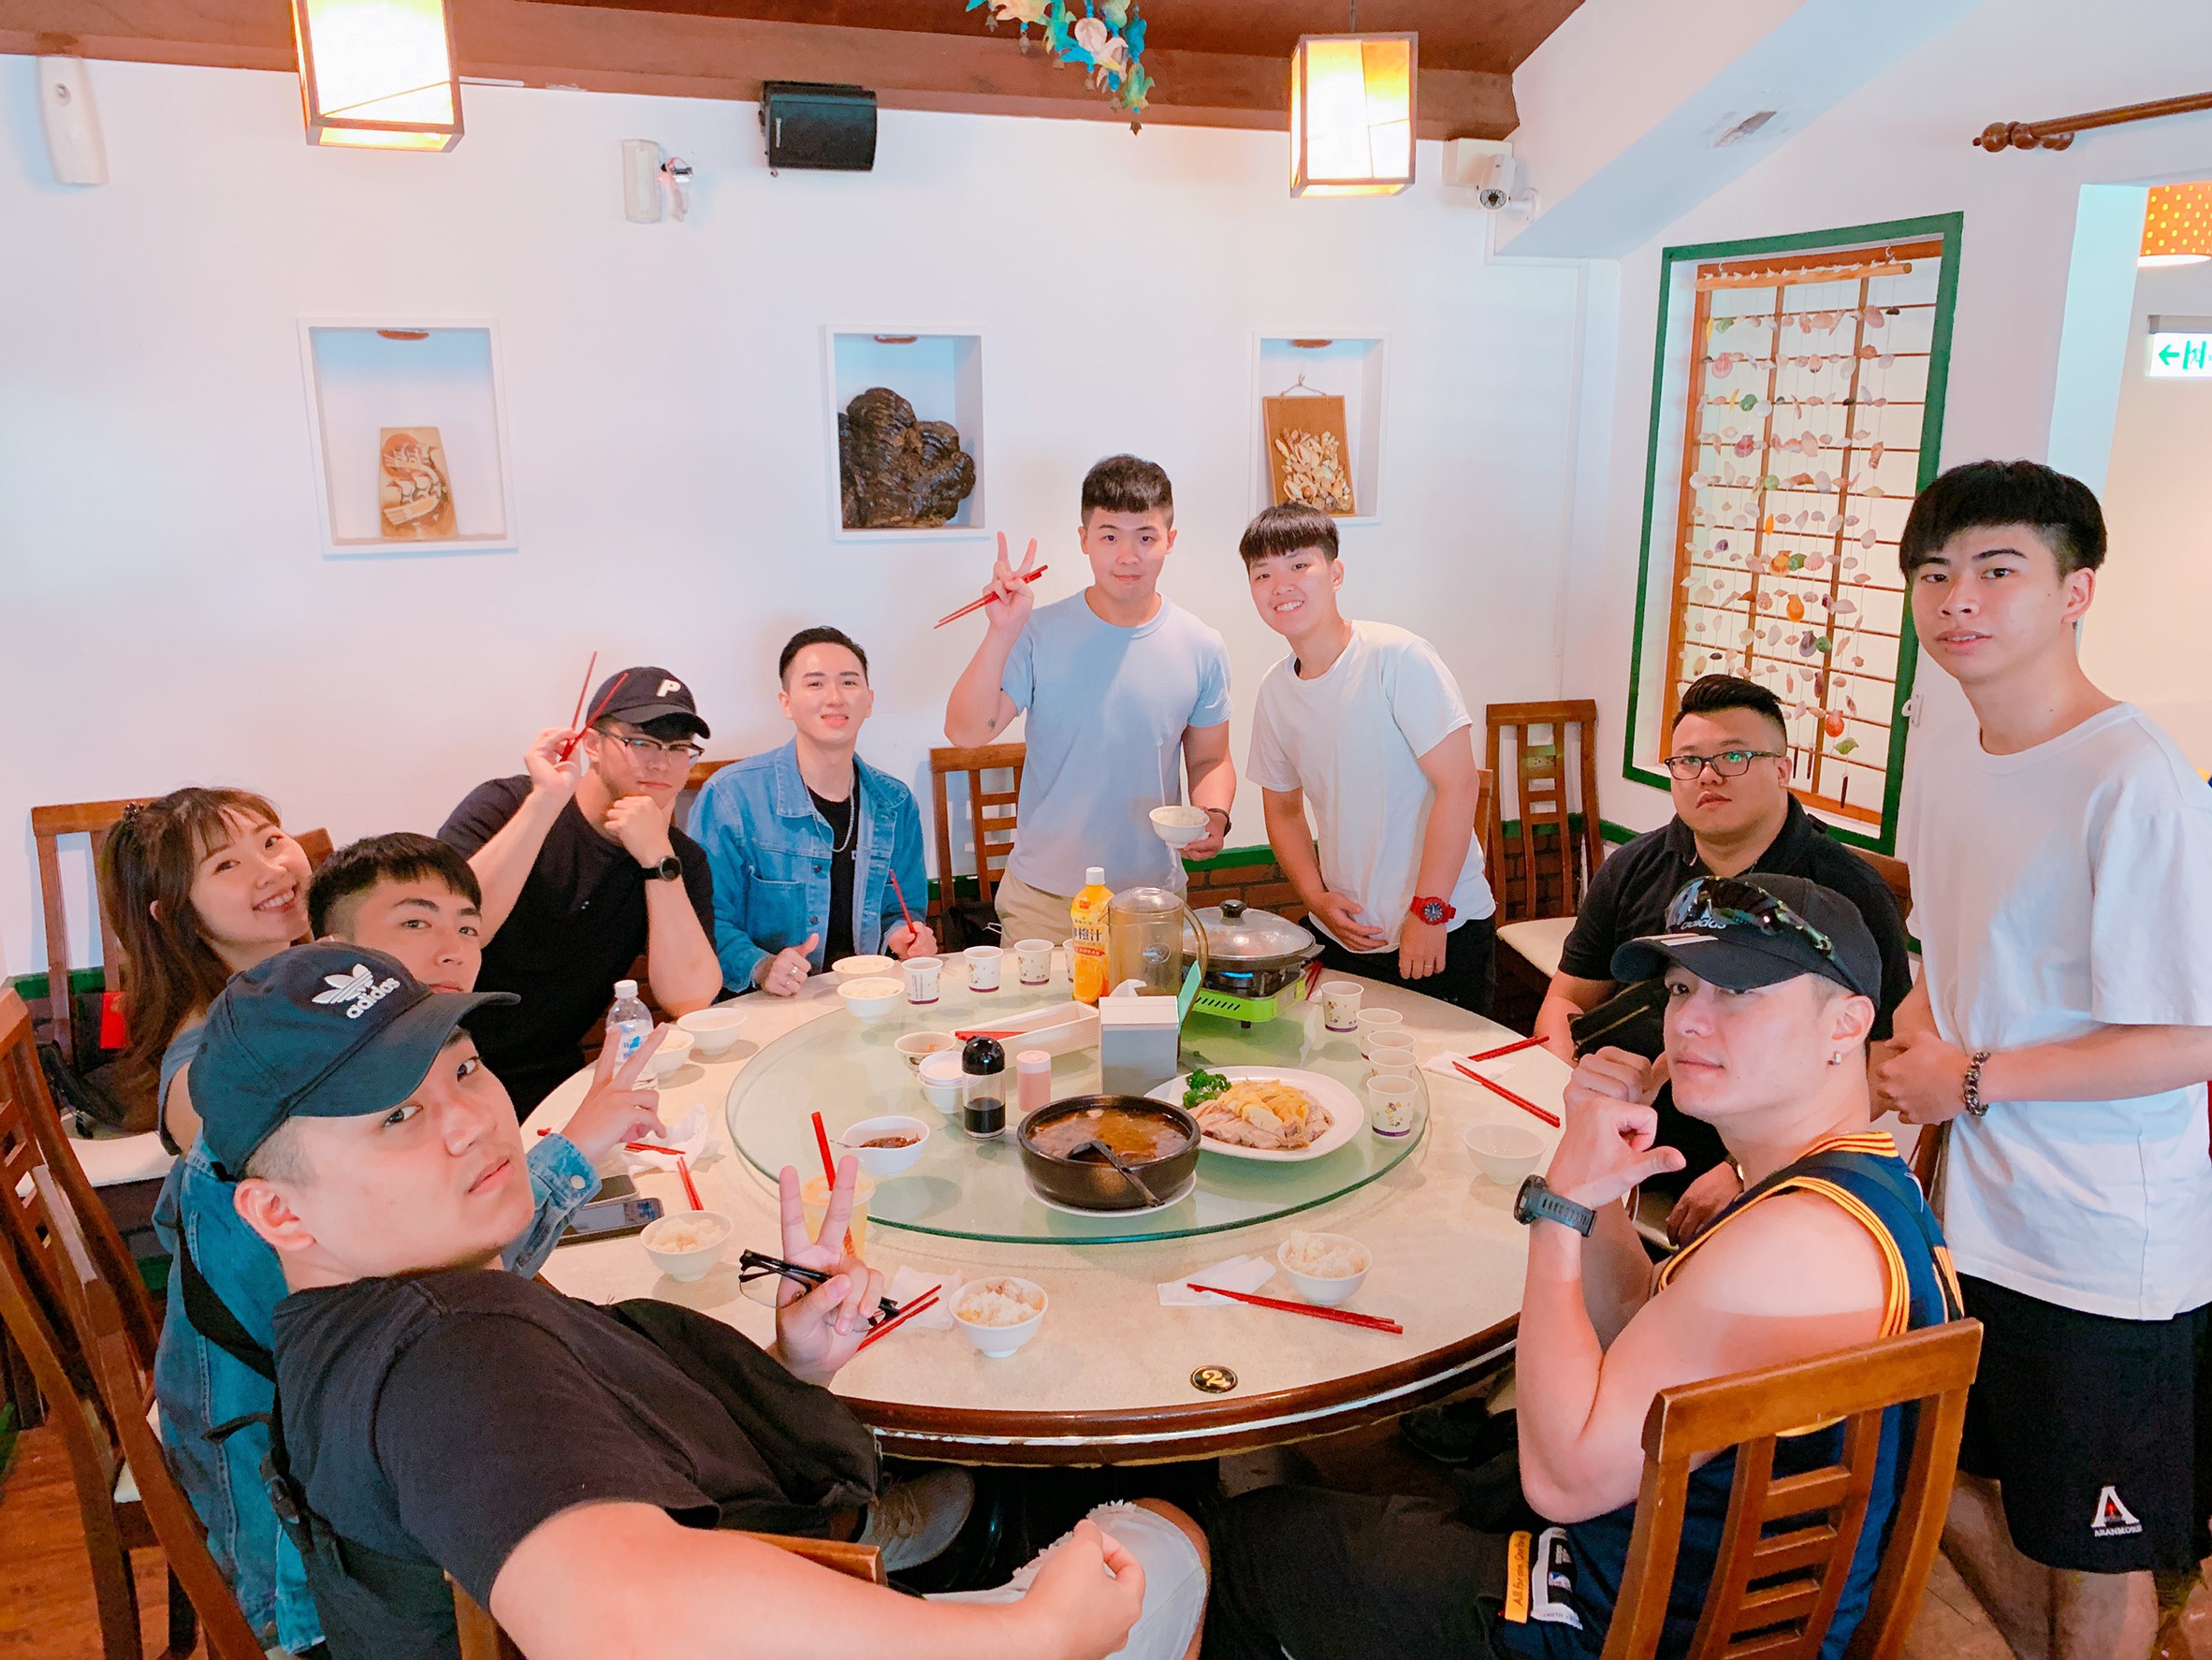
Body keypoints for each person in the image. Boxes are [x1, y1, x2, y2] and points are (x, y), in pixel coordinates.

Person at [195, 943, 1210, 1660]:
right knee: (1169, 1528)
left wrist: (787, 1369)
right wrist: (1029, 1637)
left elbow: (556, 1449)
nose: (472, 1121)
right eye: (398, 1116)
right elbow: (622, 1619)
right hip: (835, 1587)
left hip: (776, 1536)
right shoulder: (447, 1348)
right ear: (278, 1210)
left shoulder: (350, 1329)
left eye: (463, 1068)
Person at [1208, 874, 1961, 1658]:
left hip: (1630, 1630)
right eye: (1682, 987)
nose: (1688, 1019)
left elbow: (1562, 1481)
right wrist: (1597, 1181)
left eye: (1739, 992)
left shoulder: (1798, 1244)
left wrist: (1560, 1209)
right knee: (1421, 1497)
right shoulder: (1856, 1185)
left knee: (1250, 1543)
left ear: (1847, 1024)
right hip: (1674, 1578)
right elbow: (1640, 1327)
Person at [149, 833, 667, 1657]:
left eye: (468, 927)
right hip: (293, 1537)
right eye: (416, 925)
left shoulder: (363, 1102)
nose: (451, 950)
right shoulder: (281, 1132)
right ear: (332, 959)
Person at [1874, 459, 2212, 1660]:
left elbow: (2187, 1038)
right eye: (1935, 572)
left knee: (2093, 1548)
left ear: (2076, 591)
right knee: (1944, 1475)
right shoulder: (1951, 750)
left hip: (2101, 1246)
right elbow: (1946, 946)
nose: (1958, 598)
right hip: (1974, 1207)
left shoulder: (2134, 778)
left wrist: (1970, 1080)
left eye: (1997, 569)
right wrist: (1910, 1034)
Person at [1535, 673, 1914, 1225]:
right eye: (1688, 760)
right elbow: (1566, 999)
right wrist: (1569, 1107)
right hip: (1619, 1147)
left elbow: (1883, 1063)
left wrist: (1742, 1170)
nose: (1707, 775)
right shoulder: (1634, 867)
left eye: (1733, 757)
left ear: (1782, 769)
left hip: (1763, 1181)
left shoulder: (1845, 894)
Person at [943, 455, 1235, 944]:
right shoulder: (1036, 632)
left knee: (1152, 1001)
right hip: (1044, 902)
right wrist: (1001, 631)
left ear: (1170, 540)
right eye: (1109, 536)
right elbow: (966, 732)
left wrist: (1215, 815)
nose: (1128, 556)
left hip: (1152, 898)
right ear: (1084, 540)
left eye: (1146, 537)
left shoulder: (1201, 645)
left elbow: (1211, 758)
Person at [1237, 502, 1497, 1012]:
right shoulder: (1275, 691)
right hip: (1347, 930)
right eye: (1263, 574)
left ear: (1335, 573)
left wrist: (1429, 910)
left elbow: (1459, 784)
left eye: (1298, 565)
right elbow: (1283, 810)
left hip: (1445, 924)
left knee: (1448, 1063)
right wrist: (1316, 899)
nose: (1281, 585)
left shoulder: (1396, 658)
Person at [439, 665, 721, 1113]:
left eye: (678, 748)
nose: (661, 762)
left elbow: (690, 998)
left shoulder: (678, 858)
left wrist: (657, 860)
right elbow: (453, 934)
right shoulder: (504, 806)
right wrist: (546, 802)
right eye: (641, 742)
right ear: (591, 743)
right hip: (445, 1065)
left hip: (557, 1076)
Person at [691, 627, 938, 997]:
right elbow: (706, 919)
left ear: (869, 701)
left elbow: (902, 909)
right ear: (786, 702)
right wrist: (761, 966)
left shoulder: (895, 802)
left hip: (865, 998)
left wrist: (903, 935)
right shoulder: (730, 797)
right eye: (815, 684)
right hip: (763, 1005)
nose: (835, 698)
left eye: (849, 682)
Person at [100, 787, 313, 1153]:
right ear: (175, 914)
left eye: (270, 841)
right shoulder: (198, 1074)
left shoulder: (322, 971)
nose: (272, 870)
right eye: (226, 865)